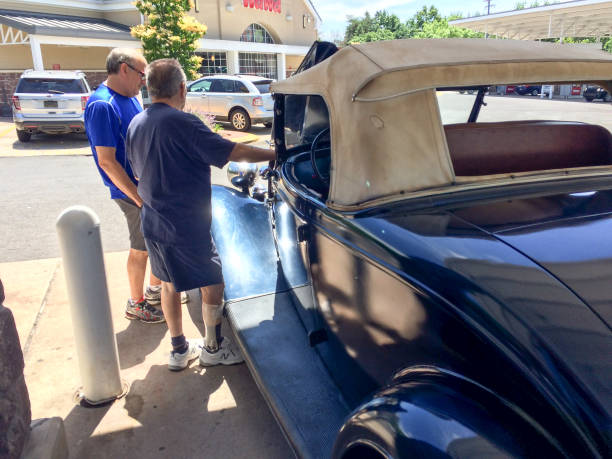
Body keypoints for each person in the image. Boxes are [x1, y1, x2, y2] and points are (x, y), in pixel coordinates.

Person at [126, 58, 275, 370]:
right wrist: (277, 154)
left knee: (167, 284)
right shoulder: (183, 122)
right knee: (213, 282)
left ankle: (179, 350)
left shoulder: (137, 123)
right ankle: (212, 347)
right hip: (185, 224)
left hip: (153, 221)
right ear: (182, 88)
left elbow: (137, 173)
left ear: (151, 88)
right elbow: (231, 151)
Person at [84, 48, 165, 324]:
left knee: (156, 241)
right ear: (124, 69)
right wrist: (138, 198)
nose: (144, 81)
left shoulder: (129, 98)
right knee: (141, 247)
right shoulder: (102, 105)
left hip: (147, 188)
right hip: (131, 192)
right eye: (142, 74)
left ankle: (154, 291)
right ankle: (136, 303)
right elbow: (106, 161)